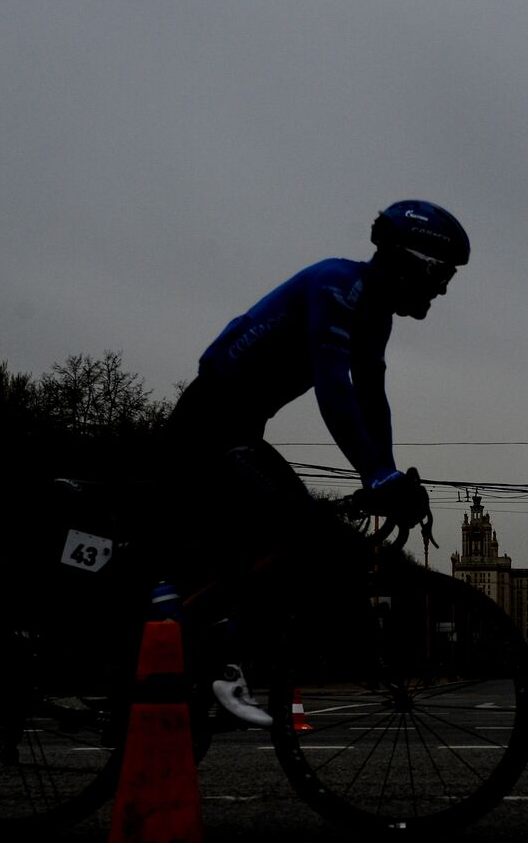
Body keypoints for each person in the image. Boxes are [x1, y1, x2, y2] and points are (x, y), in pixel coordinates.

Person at [156, 199, 470, 726]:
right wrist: (376, 475)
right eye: (441, 275)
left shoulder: (374, 315)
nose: (442, 290)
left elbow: (372, 399)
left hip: (236, 427)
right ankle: (221, 660)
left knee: (286, 533)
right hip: (209, 423)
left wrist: (386, 474)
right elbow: (334, 390)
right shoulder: (336, 286)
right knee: (293, 525)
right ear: (410, 261)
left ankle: (193, 645)